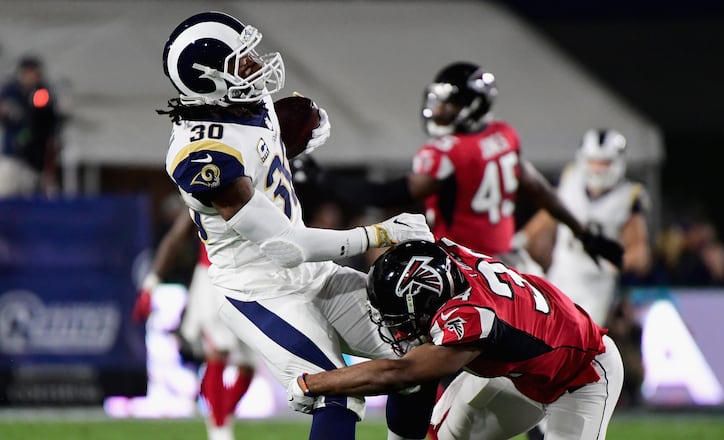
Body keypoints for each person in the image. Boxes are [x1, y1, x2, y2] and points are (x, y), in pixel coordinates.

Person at [159, 11, 437, 440]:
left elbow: (262, 154)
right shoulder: (201, 153)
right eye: (240, 60)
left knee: (417, 357)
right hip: (260, 289)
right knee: (337, 392)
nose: (254, 64)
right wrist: (382, 233)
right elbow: (286, 245)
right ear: (206, 79)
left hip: (312, 274)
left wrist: (288, 143)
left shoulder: (243, 100)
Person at [293, 62, 623, 274]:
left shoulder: (450, 152)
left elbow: (387, 192)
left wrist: (323, 179)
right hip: (512, 264)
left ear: (472, 106)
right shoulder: (503, 136)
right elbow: (540, 190)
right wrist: (584, 233)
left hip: (464, 267)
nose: (439, 111)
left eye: (449, 103)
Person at [287, 239, 624, 440]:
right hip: (519, 374)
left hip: (581, 375)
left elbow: (401, 373)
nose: (395, 328)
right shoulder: (447, 257)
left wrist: (314, 383)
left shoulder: (472, 318)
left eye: (398, 316)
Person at [132, 207, 258, 440]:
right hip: (214, 276)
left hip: (251, 280)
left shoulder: (257, 187)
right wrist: (152, 282)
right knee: (217, 352)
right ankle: (219, 431)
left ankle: (222, 418)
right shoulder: (204, 187)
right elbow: (177, 236)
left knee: (248, 365)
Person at [521, 128, 652, 326]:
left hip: (596, 284)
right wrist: (521, 240)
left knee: (581, 341)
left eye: (604, 162)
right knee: (542, 331)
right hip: (561, 273)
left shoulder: (628, 196)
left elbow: (640, 253)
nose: (597, 169)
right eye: (593, 161)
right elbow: (545, 220)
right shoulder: (569, 181)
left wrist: (618, 263)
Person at [0, 55, 62, 197]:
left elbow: (44, 119)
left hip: (33, 156)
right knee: (5, 190)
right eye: (27, 72)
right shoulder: (11, 90)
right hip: (12, 153)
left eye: (33, 72)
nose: (30, 76)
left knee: (28, 193)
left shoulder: (42, 92)